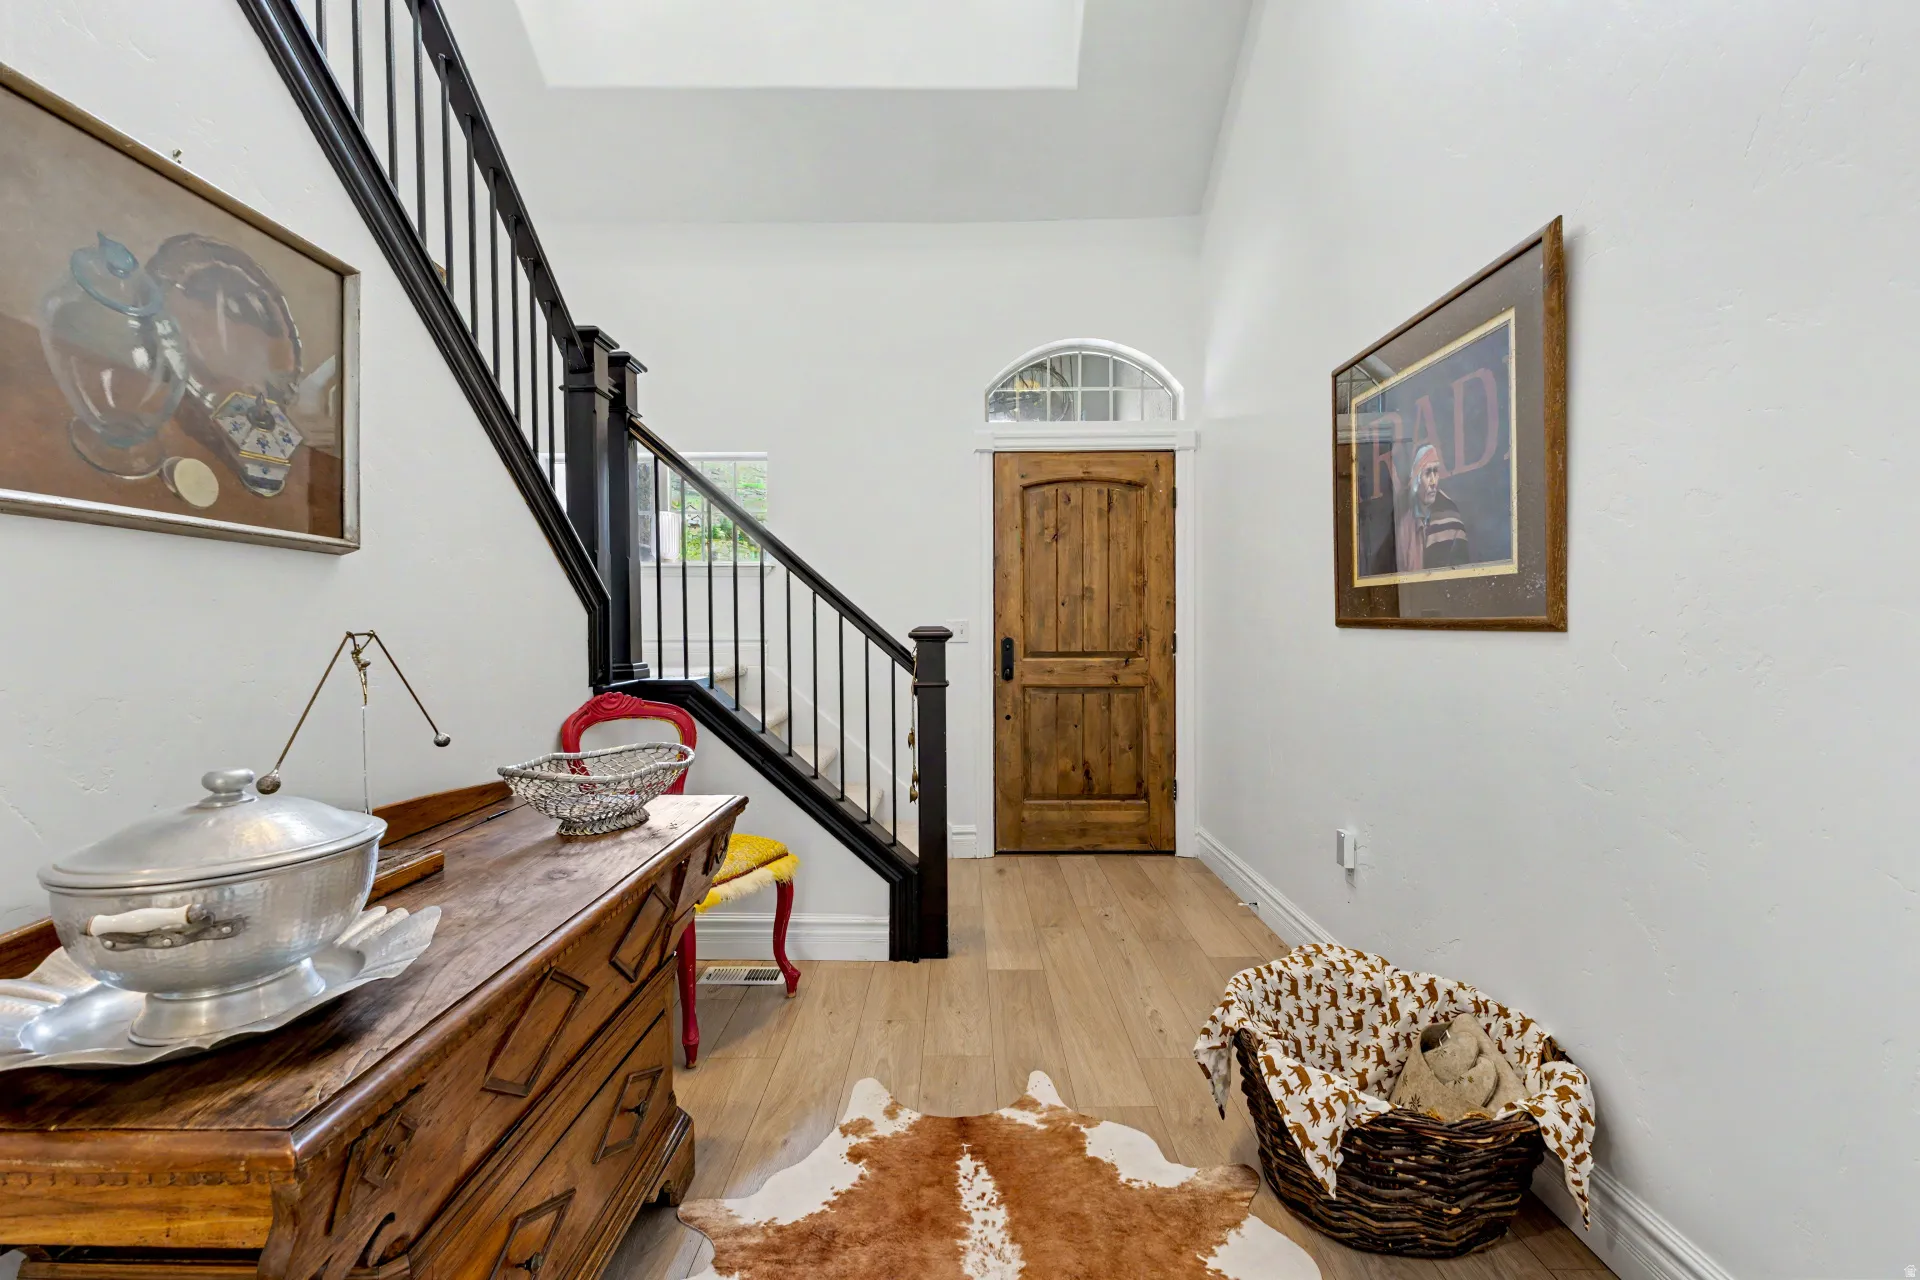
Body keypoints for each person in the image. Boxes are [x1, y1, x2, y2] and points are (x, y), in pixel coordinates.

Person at [1393, 443, 1471, 573]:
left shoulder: (1451, 517)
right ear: (1416, 479)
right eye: (1428, 473)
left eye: (1436, 472)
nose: (1434, 482)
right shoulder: (1404, 519)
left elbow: (1461, 570)